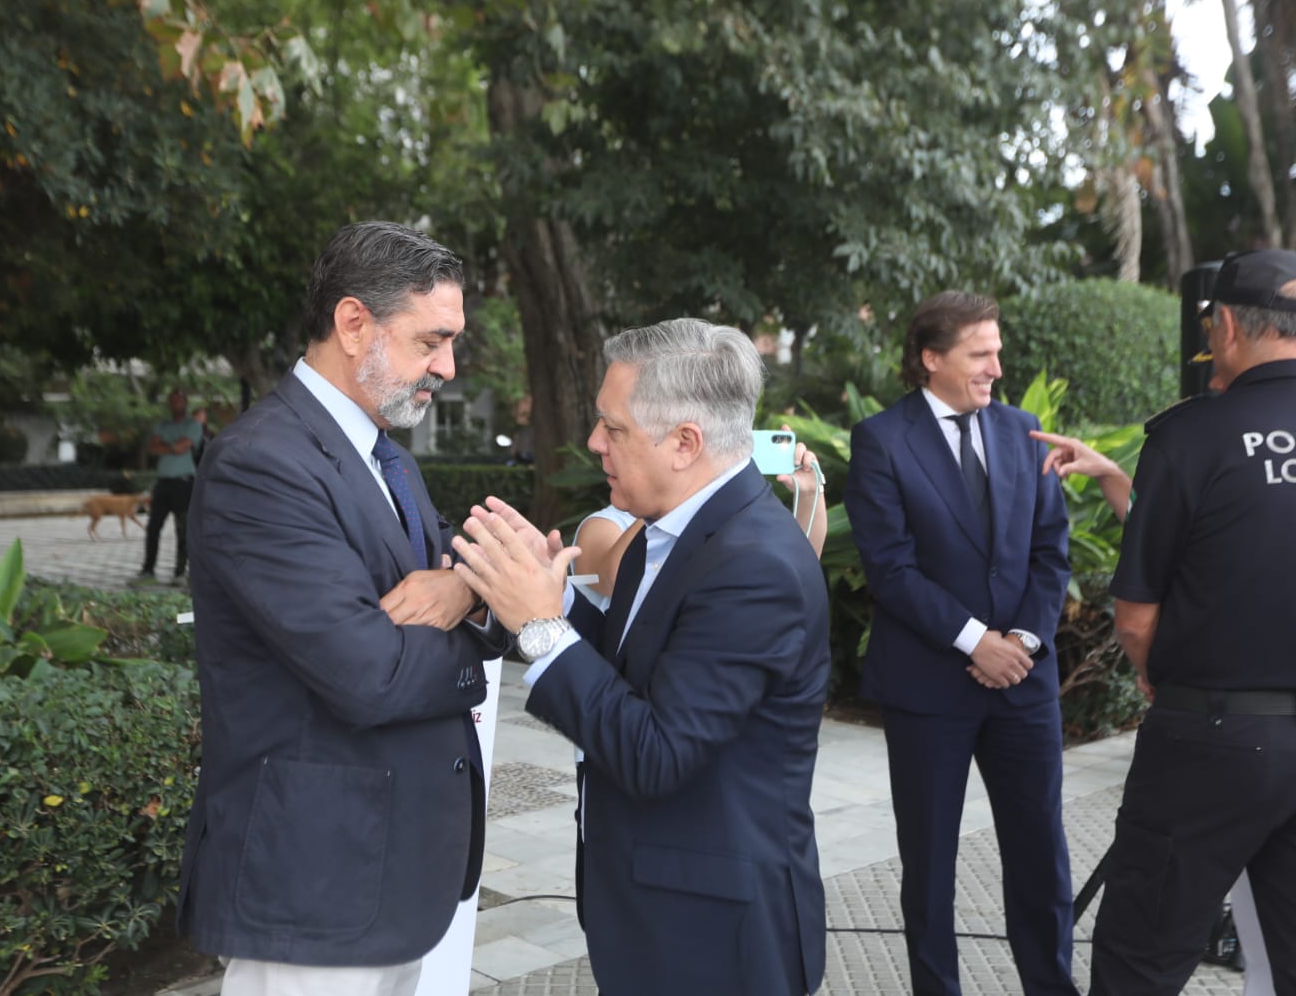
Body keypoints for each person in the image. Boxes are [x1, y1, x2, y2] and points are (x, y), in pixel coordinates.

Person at [451, 318, 831, 996]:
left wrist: (540, 626)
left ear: (684, 442)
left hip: (715, 940)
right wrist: (541, 598)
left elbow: (656, 752)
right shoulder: (670, 531)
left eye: (613, 428)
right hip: (653, 910)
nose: (593, 443)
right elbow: (631, 671)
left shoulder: (755, 565)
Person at [177, 221, 503, 996]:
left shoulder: (385, 453)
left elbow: (464, 579)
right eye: (432, 341)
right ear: (354, 324)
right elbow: (369, 675)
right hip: (315, 882)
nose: (447, 367)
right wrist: (478, 623)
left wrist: (463, 589)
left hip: (386, 875)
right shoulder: (261, 463)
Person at [1089, 248, 1296, 995]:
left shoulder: (1189, 438)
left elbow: (1136, 616)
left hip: (1209, 736)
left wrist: (1153, 675)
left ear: (1226, 325)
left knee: (1141, 958)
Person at [842, 290, 1077, 996]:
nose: (996, 368)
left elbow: (1049, 551)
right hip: (928, 686)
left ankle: (1049, 986)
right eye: (981, 354)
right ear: (930, 358)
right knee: (930, 861)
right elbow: (889, 568)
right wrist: (977, 641)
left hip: (1024, 682)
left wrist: (1022, 641)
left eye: (997, 352)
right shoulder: (881, 439)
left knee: (1041, 854)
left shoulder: (1021, 429)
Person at [571, 424, 828, 609]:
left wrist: (809, 495)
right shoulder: (600, 526)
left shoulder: (727, 524)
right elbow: (618, 577)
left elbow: (797, 565)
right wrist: (677, 488)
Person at [137, 389, 201, 585]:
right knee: (153, 527)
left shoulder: (192, 425)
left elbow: (181, 447)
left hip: (184, 483)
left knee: (183, 529)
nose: (176, 404)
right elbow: (153, 448)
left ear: (186, 403)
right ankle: (148, 569)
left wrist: (167, 445)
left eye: (179, 400)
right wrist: (172, 446)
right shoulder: (162, 424)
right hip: (163, 483)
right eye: (172, 400)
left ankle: (180, 572)